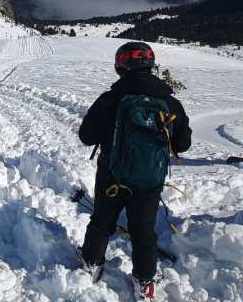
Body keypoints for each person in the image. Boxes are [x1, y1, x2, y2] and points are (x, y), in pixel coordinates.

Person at [78, 41, 192, 300]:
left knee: (102, 221)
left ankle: (91, 263)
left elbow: (86, 136)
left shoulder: (110, 99)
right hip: (149, 180)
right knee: (143, 231)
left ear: (121, 67)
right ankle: (145, 282)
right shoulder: (170, 103)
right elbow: (183, 144)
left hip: (111, 175)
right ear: (150, 65)